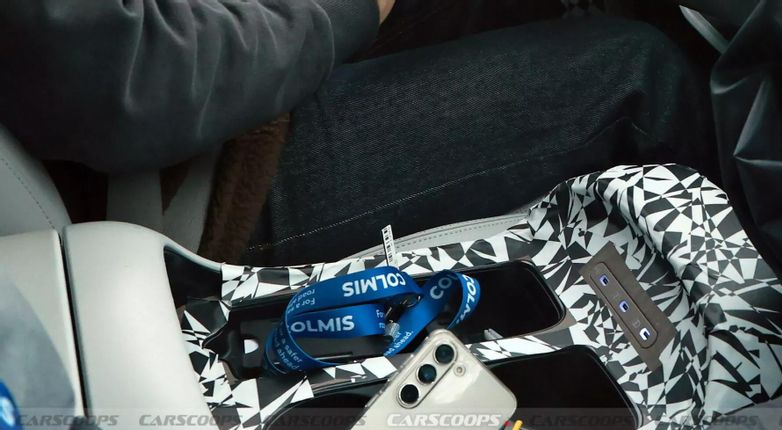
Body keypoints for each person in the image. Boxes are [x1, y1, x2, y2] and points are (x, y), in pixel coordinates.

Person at [0, 0, 717, 265]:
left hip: (207, 79)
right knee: (637, 71)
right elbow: (132, 79)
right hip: (191, 189)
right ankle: (759, 341)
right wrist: (340, 11)